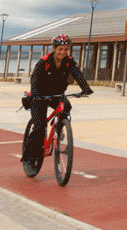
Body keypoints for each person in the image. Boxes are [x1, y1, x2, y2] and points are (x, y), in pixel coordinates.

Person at [22, 33, 93, 176]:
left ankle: (60, 127)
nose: (63, 52)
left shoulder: (69, 62)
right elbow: (34, 78)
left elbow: (78, 75)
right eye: (60, 49)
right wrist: (35, 94)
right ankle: (28, 158)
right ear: (54, 48)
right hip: (40, 97)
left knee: (67, 106)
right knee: (40, 127)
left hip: (56, 96)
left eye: (66, 49)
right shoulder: (45, 61)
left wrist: (86, 89)